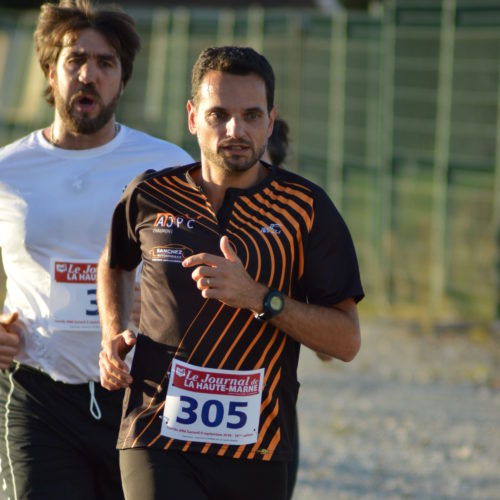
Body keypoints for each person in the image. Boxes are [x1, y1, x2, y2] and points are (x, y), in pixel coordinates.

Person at [98, 45, 363, 500]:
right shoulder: (150, 194)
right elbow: (114, 262)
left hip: (257, 446)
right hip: (155, 434)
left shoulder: (305, 208)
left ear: (270, 120)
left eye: (251, 115)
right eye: (218, 114)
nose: (235, 130)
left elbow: (346, 341)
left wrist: (259, 297)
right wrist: (112, 334)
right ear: (192, 117)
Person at [0, 1, 192, 499]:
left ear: (123, 80)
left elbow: (200, 271)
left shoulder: (167, 167)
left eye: (106, 63)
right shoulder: (8, 170)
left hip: (141, 394)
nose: (89, 75)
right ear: (50, 71)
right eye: (75, 60)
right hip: (38, 393)